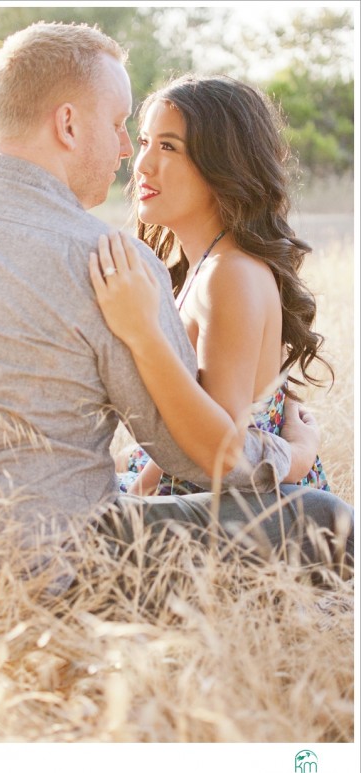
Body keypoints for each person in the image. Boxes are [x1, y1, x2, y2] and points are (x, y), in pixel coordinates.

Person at [0, 23, 353, 585]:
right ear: (69, 125)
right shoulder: (109, 261)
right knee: (326, 520)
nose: (129, 154)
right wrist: (295, 450)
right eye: (124, 127)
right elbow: (199, 459)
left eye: (156, 142)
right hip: (56, 566)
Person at [90, 75, 331, 498]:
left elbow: (221, 450)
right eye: (145, 142)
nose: (143, 164)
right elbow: (187, 432)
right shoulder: (203, 266)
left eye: (169, 147)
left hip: (233, 519)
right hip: (197, 494)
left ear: (223, 166)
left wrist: (300, 454)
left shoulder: (230, 274)